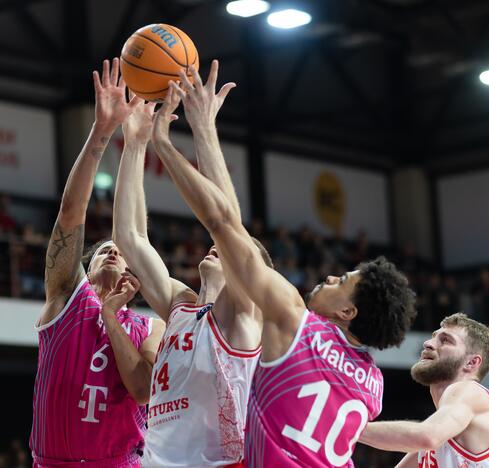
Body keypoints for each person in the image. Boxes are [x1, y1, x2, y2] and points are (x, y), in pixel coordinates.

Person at [152, 65, 417, 468]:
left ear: (348, 312)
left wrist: (179, 137)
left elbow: (225, 226)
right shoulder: (373, 385)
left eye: (342, 280)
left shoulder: (296, 323)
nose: (330, 277)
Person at [111, 61, 270, 467]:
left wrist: (202, 129)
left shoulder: (242, 318)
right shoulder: (180, 307)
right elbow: (130, 237)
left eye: (237, 250)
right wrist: (135, 143)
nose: (219, 249)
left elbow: (226, 222)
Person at [29, 58, 164, 468]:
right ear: (84, 270)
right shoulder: (66, 298)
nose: (112, 249)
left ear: (132, 275)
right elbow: (71, 214)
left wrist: (110, 315)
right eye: (103, 248)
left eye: (119, 251)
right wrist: (101, 132)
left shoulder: (149, 326)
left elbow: (142, 389)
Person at [358, 313, 489, 468]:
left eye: (445, 340)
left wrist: (347, 425)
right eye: (433, 337)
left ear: (471, 362)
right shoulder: (439, 434)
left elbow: (427, 436)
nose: (428, 343)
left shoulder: (469, 391)